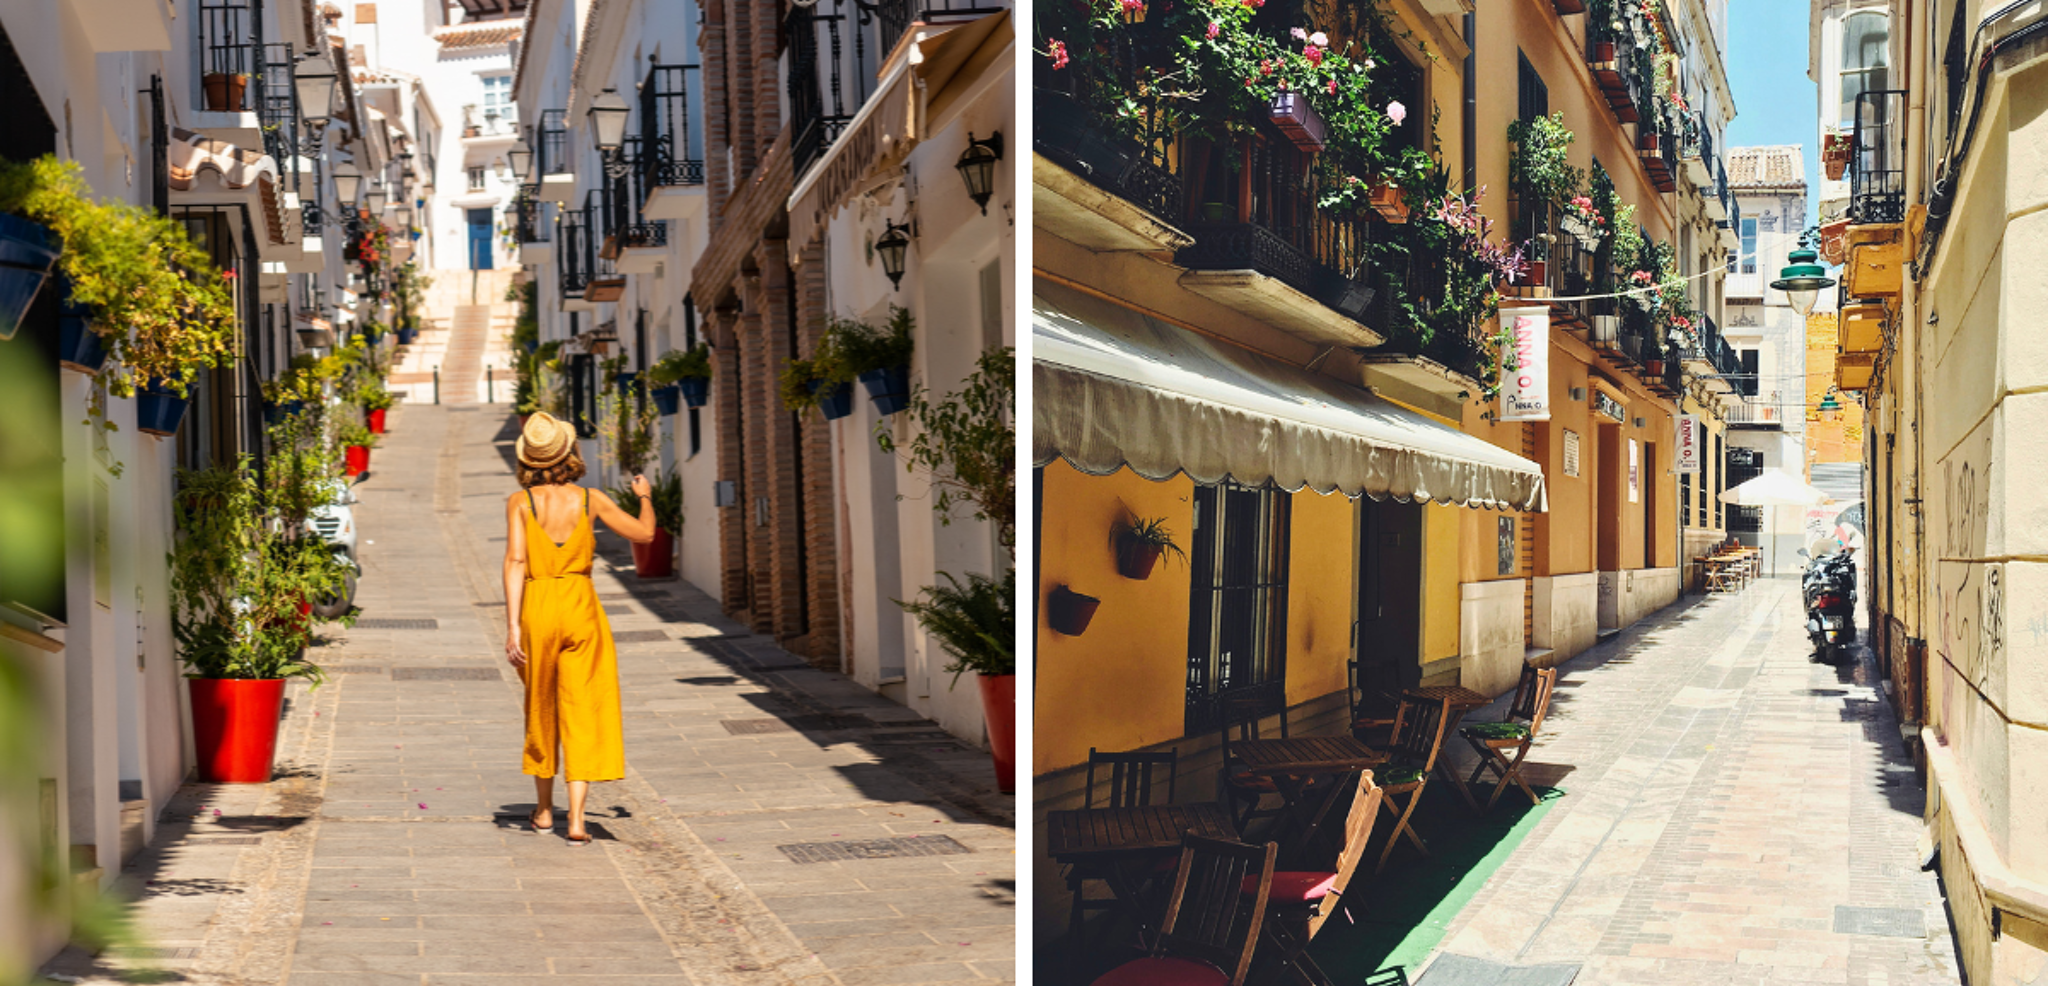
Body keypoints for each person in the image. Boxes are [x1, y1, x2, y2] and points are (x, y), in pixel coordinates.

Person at [502, 412, 657, 845]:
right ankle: (577, 820)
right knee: (583, 706)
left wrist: (513, 626)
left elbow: (515, 561)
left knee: (541, 706)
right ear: (569, 452)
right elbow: (645, 535)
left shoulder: (520, 502)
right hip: (581, 605)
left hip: (538, 605)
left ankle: (545, 811)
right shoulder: (591, 500)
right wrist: (644, 496)